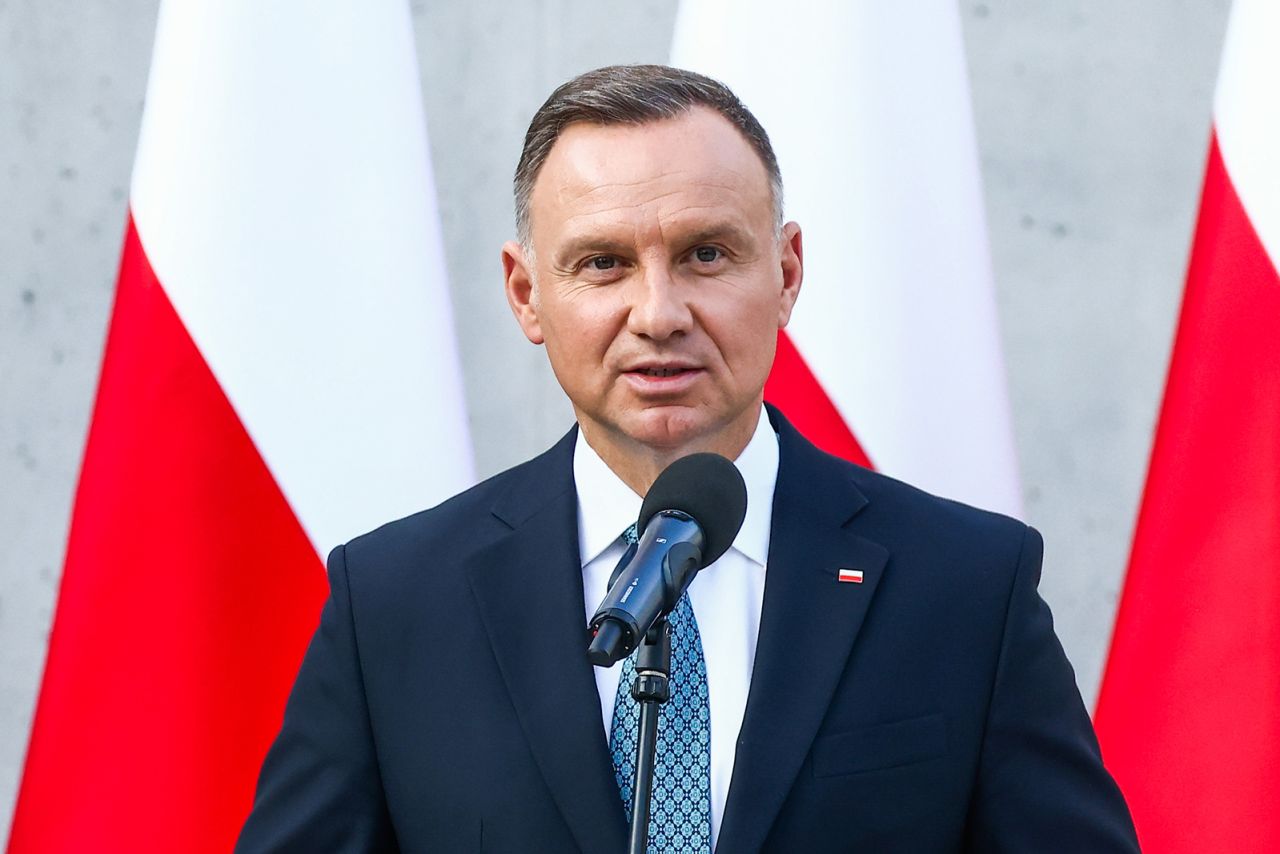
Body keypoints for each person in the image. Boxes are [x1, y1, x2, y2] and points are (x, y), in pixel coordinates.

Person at [236, 65, 1138, 853]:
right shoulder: (395, 600)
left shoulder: (967, 584)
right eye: (602, 263)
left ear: (785, 275)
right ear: (527, 294)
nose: (659, 313)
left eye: (707, 254)